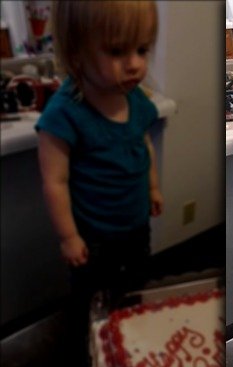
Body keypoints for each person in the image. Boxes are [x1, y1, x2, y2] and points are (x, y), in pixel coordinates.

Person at [36, 1, 162, 306]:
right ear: (76, 51)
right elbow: (55, 182)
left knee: (134, 290)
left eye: (142, 50)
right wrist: (68, 237)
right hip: (92, 236)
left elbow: (143, 144)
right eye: (117, 51)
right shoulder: (64, 114)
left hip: (136, 224)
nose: (134, 64)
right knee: (93, 300)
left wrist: (153, 187)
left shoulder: (134, 98)